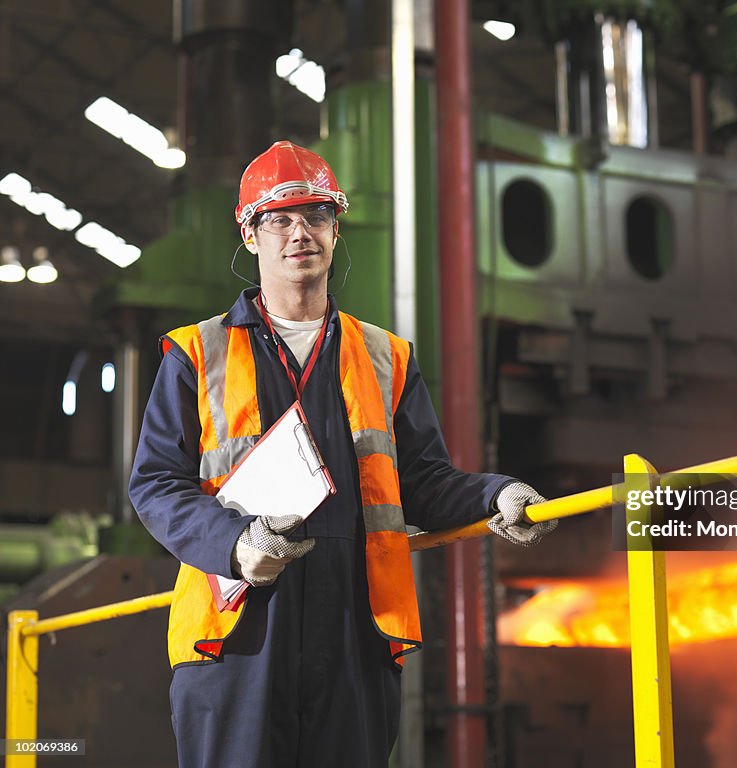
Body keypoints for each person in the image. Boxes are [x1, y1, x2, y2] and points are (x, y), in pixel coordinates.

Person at [129, 140, 557, 768]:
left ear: (336, 228)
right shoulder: (197, 354)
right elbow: (156, 485)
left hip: (355, 634)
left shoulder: (385, 357)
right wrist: (237, 545)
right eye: (279, 218)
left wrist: (496, 495)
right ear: (250, 235)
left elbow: (423, 481)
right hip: (237, 636)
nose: (299, 232)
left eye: (317, 215)